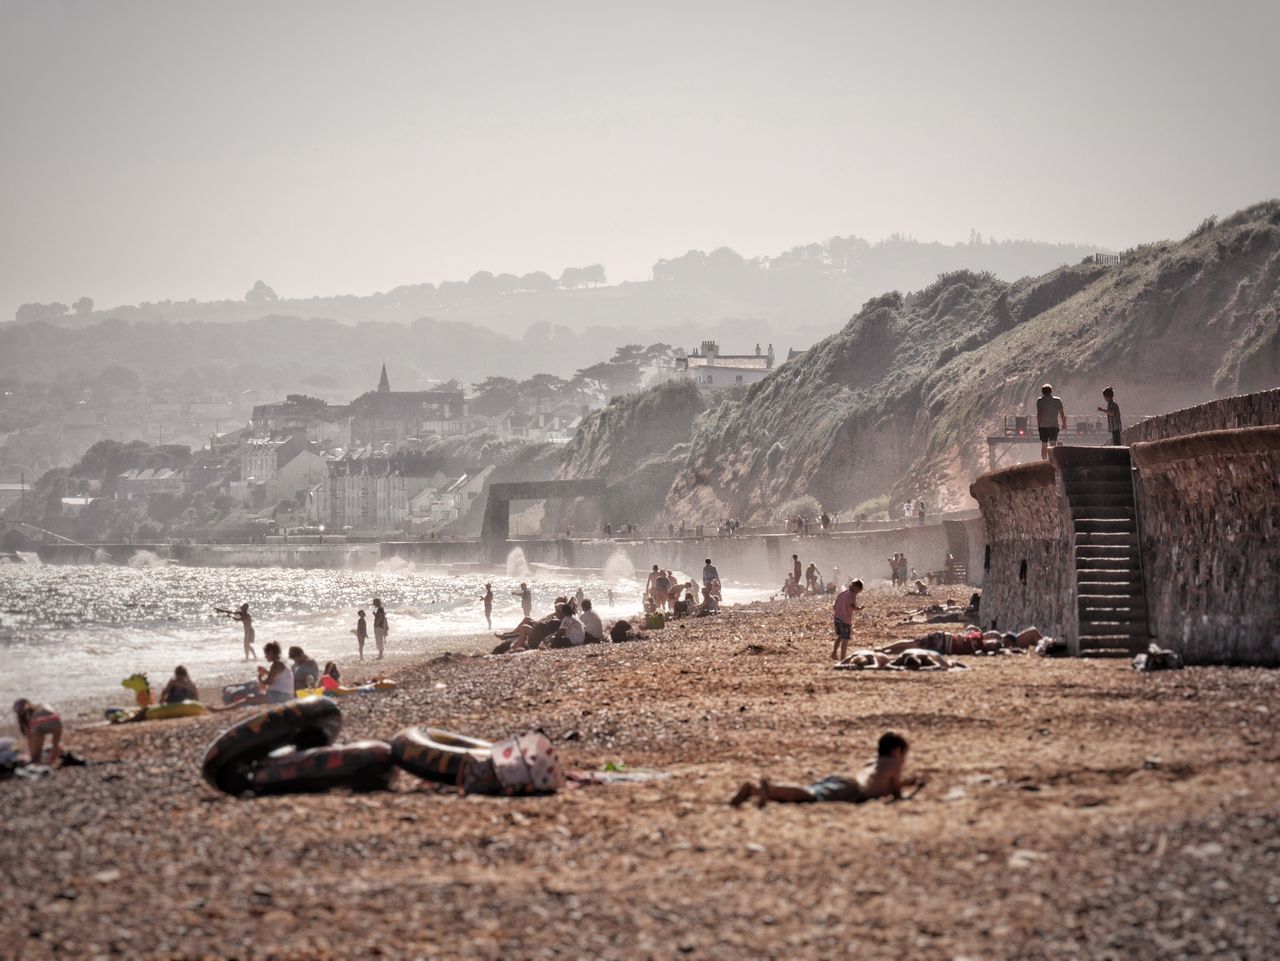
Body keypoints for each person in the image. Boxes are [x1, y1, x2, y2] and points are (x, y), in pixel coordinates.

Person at [729, 731, 924, 807]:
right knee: (810, 796)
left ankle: (755, 791)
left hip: (844, 780)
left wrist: (905, 782)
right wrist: (916, 789)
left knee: (807, 793)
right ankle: (769, 789)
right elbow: (897, 796)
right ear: (897, 751)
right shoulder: (894, 764)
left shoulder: (873, 762)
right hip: (852, 789)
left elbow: (882, 785)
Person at [13, 698, 63, 766]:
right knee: (55, 743)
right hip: (57, 721)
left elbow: (30, 737)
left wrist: (31, 753)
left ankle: (38, 762)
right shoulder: (40, 706)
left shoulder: (27, 714)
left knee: (35, 756)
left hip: (39, 725)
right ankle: (53, 759)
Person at [831, 578, 863, 661]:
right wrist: (859, 608)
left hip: (837, 618)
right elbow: (851, 606)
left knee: (840, 637)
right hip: (845, 620)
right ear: (857, 588)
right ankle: (843, 659)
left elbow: (834, 605)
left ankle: (834, 653)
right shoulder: (852, 595)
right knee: (845, 640)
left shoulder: (842, 593)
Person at [1036, 383, 1068, 460]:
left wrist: (1039, 425)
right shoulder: (1057, 400)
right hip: (1054, 426)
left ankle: (1044, 462)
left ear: (1042, 392)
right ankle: (1052, 462)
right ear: (1051, 391)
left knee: (1044, 445)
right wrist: (1064, 424)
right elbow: (1062, 413)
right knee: (1053, 445)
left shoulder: (1040, 401)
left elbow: (1039, 414)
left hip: (1043, 426)